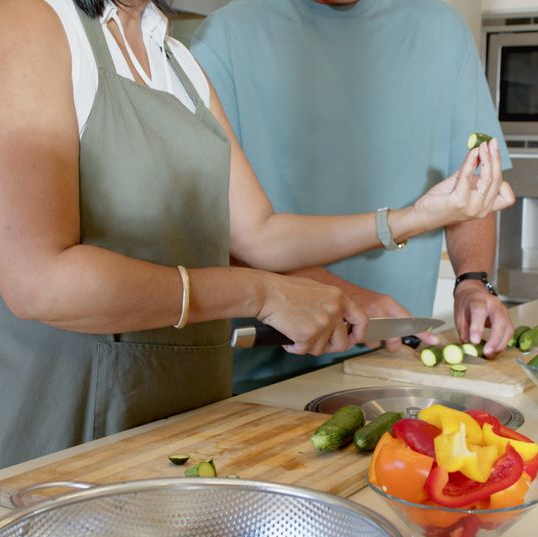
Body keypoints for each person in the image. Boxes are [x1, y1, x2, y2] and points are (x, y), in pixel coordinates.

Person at [0, 0, 514, 484]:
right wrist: (259, 294)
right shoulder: (19, 21)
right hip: (41, 428)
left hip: (171, 424)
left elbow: (259, 233)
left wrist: (414, 216)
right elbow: (40, 283)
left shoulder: (176, 59)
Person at [190, 0, 517, 393]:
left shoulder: (442, 29)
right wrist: (342, 295)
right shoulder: (223, 36)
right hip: (264, 370)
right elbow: (215, 223)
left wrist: (472, 282)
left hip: (393, 359)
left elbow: (472, 186)